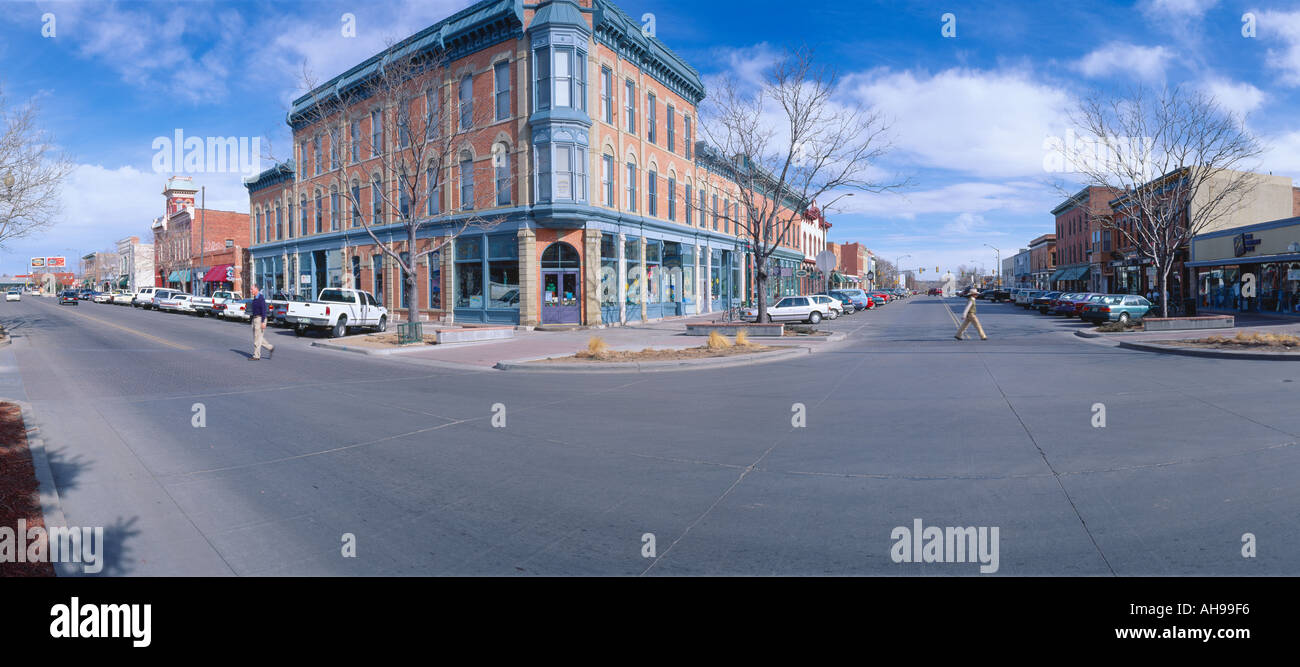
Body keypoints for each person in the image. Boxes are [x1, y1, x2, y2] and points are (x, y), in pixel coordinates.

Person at [248, 285, 274, 361]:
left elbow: (264, 311)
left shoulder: (260, 298)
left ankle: (256, 355)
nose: (251, 291)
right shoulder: (255, 298)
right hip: (255, 319)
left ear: (256, 289)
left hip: (260, 319)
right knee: (258, 338)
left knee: (257, 339)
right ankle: (270, 347)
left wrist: (263, 322)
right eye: (251, 289)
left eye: (252, 289)